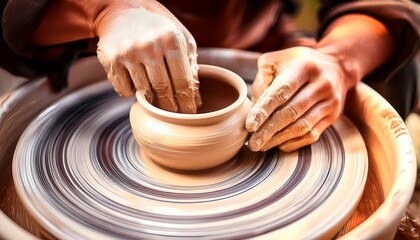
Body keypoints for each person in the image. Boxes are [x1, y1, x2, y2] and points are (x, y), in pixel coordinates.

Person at [1, 0, 419, 152]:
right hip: (108, 48)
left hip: (261, 48)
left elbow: (386, 4)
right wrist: (104, 10)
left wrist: (337, 60)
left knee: (389, 76)